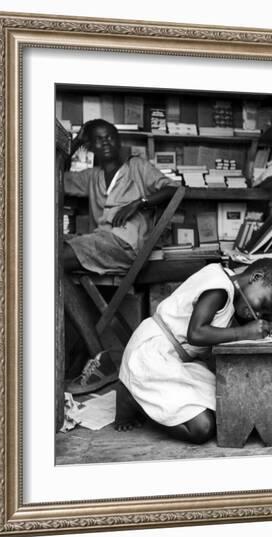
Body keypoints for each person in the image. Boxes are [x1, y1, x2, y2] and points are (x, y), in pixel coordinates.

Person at [114, 258, 272, 445]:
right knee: (202, 428)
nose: (257, 314)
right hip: (150, 356)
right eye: (262, 304)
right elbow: (196, 334)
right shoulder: (219, 289)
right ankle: (134, 398)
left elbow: (240, 325)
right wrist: (244, 332)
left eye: (264, 314)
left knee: (229, 406)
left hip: (175, 361)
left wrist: (270, 327)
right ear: (256, 277)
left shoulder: (232, 290)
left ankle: (144, 395)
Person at [62, 119, 177, 395]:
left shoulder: (137, 168)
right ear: (90, 147)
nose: (107, 143)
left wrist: (141, 202)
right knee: (54, 264)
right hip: (100, 244)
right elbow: (58, 180)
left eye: (111, 137)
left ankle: (100, 357)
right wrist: (73, 146)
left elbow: (173, 189)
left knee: (52, 260)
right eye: (98, 140)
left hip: (123, 246)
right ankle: (95, 355)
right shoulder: (92, 177)